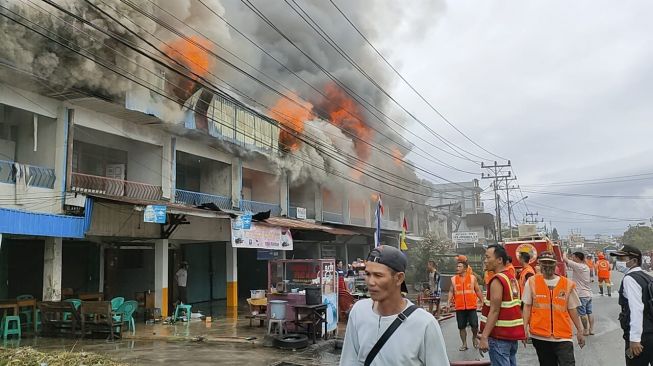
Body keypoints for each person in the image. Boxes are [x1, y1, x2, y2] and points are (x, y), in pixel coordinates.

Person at [340, 245, 449, 366]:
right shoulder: (359, 311)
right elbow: (349, 360)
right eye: (367, 274)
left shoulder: (425, 324)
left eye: (378, 275)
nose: (370, 282)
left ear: (399, 278)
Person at [523, 251, 585, 366]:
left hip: (563, 336)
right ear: (539, 264)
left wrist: (580, 331)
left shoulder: (566, 284)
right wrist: (524, 328)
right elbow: (527, 306)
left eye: (550, 263)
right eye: (544, 263)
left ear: (555, 264)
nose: (547, 265)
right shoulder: (532, 282)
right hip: (540, 336)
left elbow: (573, 309)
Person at [478, 244, 526, 366]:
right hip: (511, 337)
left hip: (499, 337)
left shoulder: (497, 280)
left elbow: (494, 310)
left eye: (488, 257)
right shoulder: (511, 278)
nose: (485, 261)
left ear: (499, 260)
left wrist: (484, 337)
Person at [611, 245, 653, 365]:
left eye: (622, 259)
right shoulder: (647, 277)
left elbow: (636, 309)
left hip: (641, 336)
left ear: (634, 261)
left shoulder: (630, 279)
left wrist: (635, 339)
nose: (618, 262)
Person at [448, 261, 484, 351]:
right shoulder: (453, 279)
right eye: (457, 266)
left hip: (471, 306)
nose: (457, 268)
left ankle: (474, 338)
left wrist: (482, 300)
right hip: (459, 307)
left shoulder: (472, 278)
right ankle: (464, 344)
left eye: (459, 266)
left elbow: (478, 290)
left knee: (474, 325)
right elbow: (451, 291)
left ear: (465, 268)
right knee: (461, 326)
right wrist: (448, 302)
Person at [564, 251, 594, 336]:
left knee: (582, 314)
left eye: (573, 257)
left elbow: (565, 260)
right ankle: (591, 329)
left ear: (577, 258)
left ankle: (585, 330)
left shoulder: (578, 266)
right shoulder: (585, 267)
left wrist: (563, 253)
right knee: (590, 312)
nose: (572, 259)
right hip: (588, 294)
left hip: (581, 294)